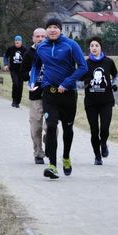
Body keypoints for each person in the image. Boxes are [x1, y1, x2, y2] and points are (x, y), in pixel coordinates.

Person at [29, 16, 87, 179]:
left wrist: (67, 83)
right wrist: (34, 81)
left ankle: (66, 156)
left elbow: (83, 67)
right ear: (46, 30)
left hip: (68, 94)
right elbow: (36, 65)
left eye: (55, 27)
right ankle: (52, 165)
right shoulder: (41, 47)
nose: (52, 30)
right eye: (49, 27)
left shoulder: (71, 45)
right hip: (49, 93)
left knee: (68, 129)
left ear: (60, 30)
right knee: (52, 126)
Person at [80, 36, 118, 165]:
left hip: (106, 101)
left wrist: (114, 84)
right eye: (92, 46)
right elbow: (78, 78)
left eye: (96, 45)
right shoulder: (85, 63)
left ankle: (103, 143)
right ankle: (97, 156)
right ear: (89, 48)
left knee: (104, 129)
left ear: (100, 47)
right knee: (94, 130)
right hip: (91, 102)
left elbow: (115, 75)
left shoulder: (108, 62)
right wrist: (83, 85)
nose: (94, 48)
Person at [21, 28, 47, 164]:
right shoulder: (28, 54)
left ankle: (49, 143)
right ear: (33, 38)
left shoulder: (52, 51)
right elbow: (22, 74)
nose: (40, 38)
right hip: (36, 95)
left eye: (43, 36)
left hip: (51, 94)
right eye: (38, 36)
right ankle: (38, 153)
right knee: (36, 126)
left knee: (51, 126)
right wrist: (30, 74)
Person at [4, 35, 27, 108]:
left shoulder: (24, 49)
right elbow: (5, 56)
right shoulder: (11, 49)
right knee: (16, 83)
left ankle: (18, 102)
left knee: (20, 86)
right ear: (14, 41)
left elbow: (28, 59)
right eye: (16, 40)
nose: (17, 42)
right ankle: (14, 100)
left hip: (21, 70)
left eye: (19, 40)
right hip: (13, 69)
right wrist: (6, 64)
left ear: (21, 42)